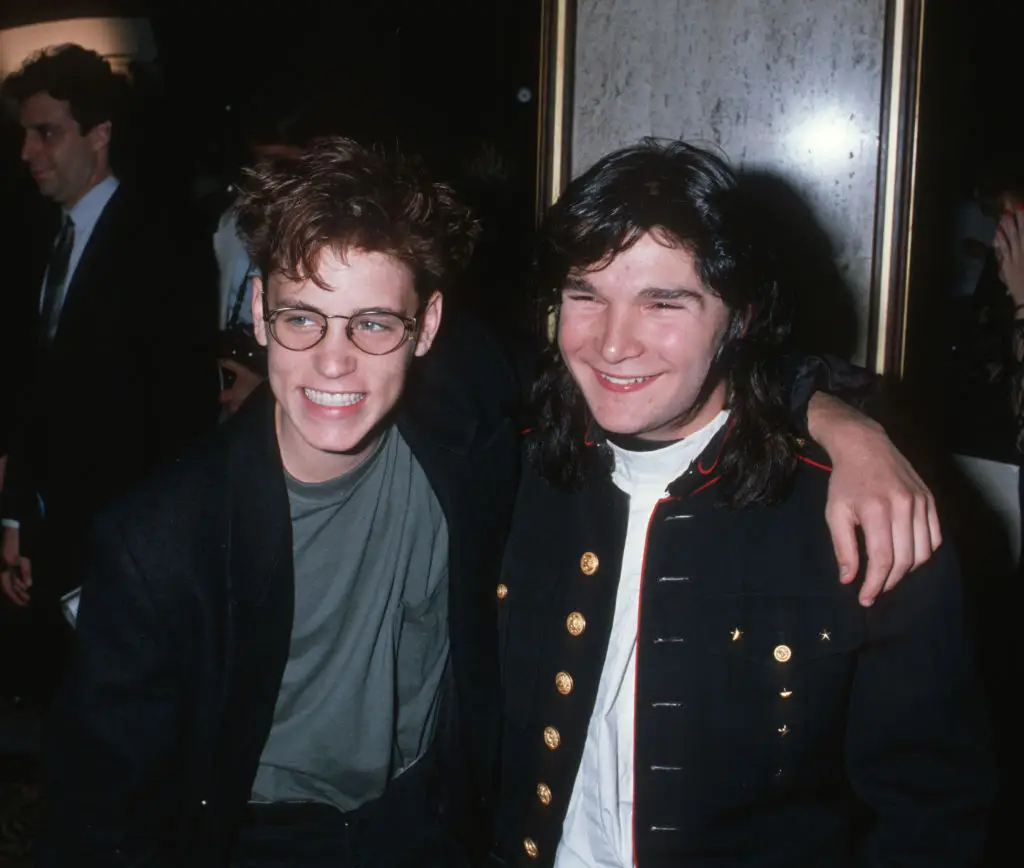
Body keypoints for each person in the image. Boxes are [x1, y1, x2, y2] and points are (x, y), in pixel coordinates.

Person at [40, 137, 946, 868]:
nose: (334, 361)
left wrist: (841, 419)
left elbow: (689, 365)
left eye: (374, 323)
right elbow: (99, 818)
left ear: (426, 327)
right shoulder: (156, 541)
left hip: (432, 830)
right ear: (258, 309)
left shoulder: (476, 420)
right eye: (302, 317)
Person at [492, 139, 995, 867]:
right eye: (585, 297)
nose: (611, 343)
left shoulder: (862, 513)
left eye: (663, 303)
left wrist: (840, 418)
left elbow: (933, 811)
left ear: (743, 316)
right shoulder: (516, 465)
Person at [0, 44, 219, 697]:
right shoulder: (39, 238)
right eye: (24, 134)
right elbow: (33, 397)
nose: (28, 153)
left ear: (99, 136)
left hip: (127, 551)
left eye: (47, 133)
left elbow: (178, 418)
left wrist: (141, 559)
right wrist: (15, 523)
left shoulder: (163, 244)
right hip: (54, 544)